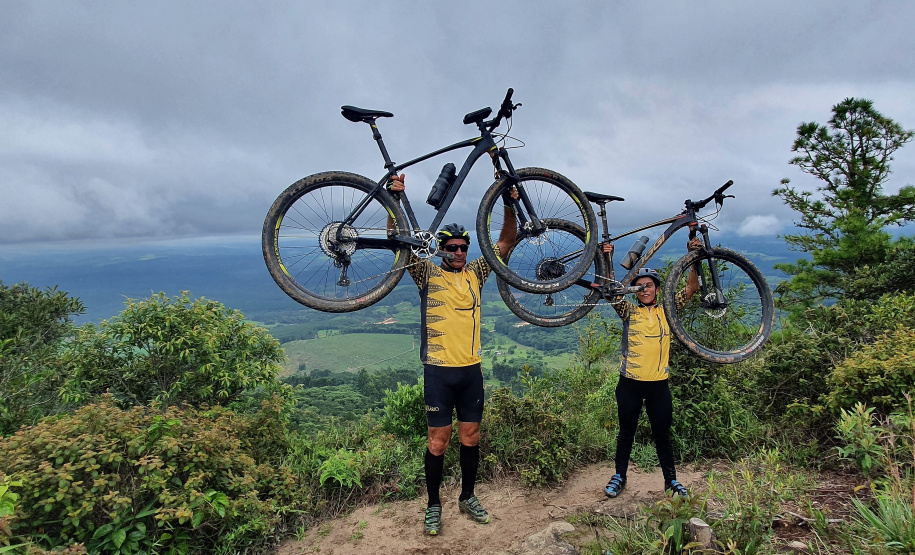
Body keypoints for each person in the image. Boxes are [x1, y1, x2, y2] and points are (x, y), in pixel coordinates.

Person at [387, 174, 518, 536]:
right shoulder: (426, 273)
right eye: (453, 247)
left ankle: (467, 496)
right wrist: (395, 200)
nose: (459, 252)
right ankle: (433, 505)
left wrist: (508, 201)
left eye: (463, 247)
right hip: (439, 372)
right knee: (437, 441)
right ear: (442, 249)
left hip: (471, 370)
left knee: (471, 437)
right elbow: (396, 240)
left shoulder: (477, 272)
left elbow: (506, 241)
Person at [601, 238, 701, 499]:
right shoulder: (628, 311)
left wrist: (693, 257)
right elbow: (611, 291)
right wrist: (607, 259)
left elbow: (692, 288)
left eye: (649, 286)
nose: (644, 289)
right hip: (630, 384)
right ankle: (619, 476)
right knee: (626, 433)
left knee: (662, 435)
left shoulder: (669, 309)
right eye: (639, 286)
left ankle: (671, 481)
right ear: (634, 290)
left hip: (659, 385)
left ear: (657, 289)